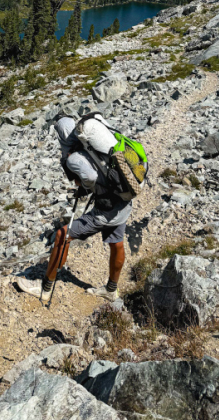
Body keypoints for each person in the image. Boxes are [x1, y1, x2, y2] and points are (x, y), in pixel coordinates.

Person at [16, 116, 132, 304]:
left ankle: (45, 288)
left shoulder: (74, 158)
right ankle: (111, 289)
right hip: (124, 195)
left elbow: (90, 176)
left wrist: (85, 186)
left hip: (106, 210)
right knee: (117, 243)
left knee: (62, 236)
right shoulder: (93, 143)